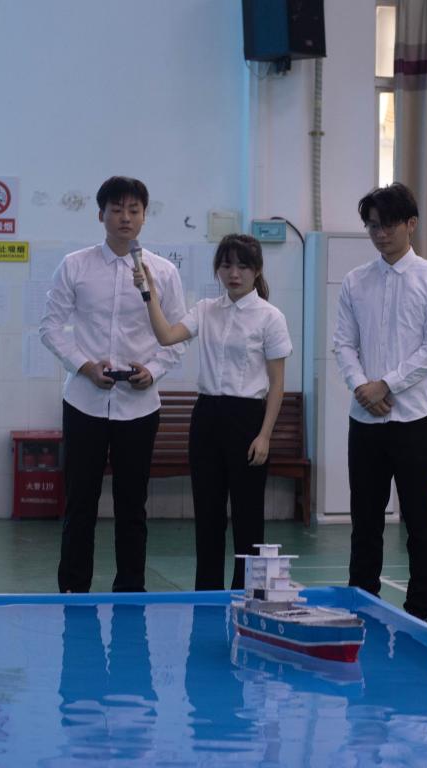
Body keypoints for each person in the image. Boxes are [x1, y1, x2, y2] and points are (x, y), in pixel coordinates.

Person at [40, 176, 186, 593]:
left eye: (134, 210)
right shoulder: (75, 266)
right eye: (117, 209)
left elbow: (177, 336)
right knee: (79, 503)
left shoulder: (163, 272)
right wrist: (85, 366)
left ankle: (131, 590)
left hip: (139, 407)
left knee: (132, 505)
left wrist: (152, 371)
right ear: (100, 214)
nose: (125, 217)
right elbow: (50, 327)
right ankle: (73, 589)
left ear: (144, 216)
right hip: (84, 401)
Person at [135, 233, 292, 590]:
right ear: (217, 269)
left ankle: (249, 593)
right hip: (206, 417)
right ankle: (206, 593)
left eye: (242, 266)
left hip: (248, 419)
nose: (233, 273)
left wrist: (265, 435)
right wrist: (150, 294)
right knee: (207, 513)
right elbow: (166, 336)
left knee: (248, 515)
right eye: (226, 265)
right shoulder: (205, 309)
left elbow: (277, 384)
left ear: (257, 270)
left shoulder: (270, 317)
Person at [332, 182, 427, 622]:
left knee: (420, 522)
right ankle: (361, 606)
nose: (380, 234)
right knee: (365, 522)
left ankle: (419, 613)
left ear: (411, 224)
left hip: (413, 420)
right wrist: (362, 387)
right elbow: (343, 344)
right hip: (364, 420)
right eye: (372, 226)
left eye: (388, 225)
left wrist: (386, 385)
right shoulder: (355, 281)